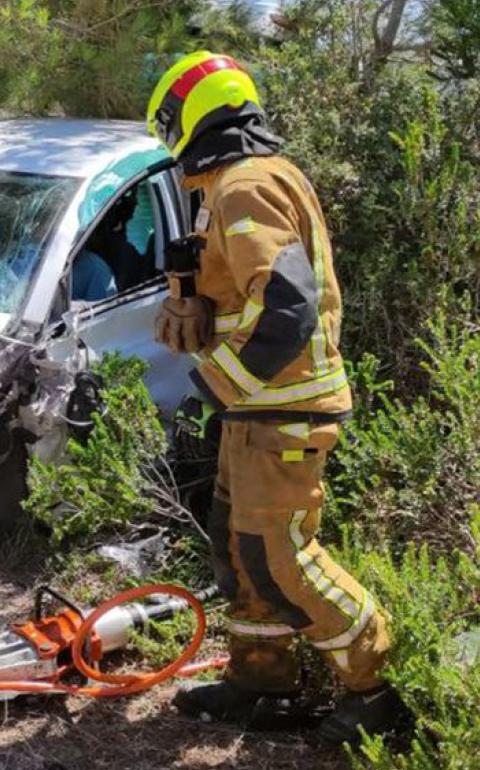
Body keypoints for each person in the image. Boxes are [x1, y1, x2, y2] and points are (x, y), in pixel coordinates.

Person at [145, 51, 404, 743]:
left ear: (186, 119)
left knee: (280, 556)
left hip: (281, 405)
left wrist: (213, 384)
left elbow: (287, 308)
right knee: (241, 549)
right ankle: (262, 681)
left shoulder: (245, 186)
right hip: (260, 406)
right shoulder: (240, 182)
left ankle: (374, 690)